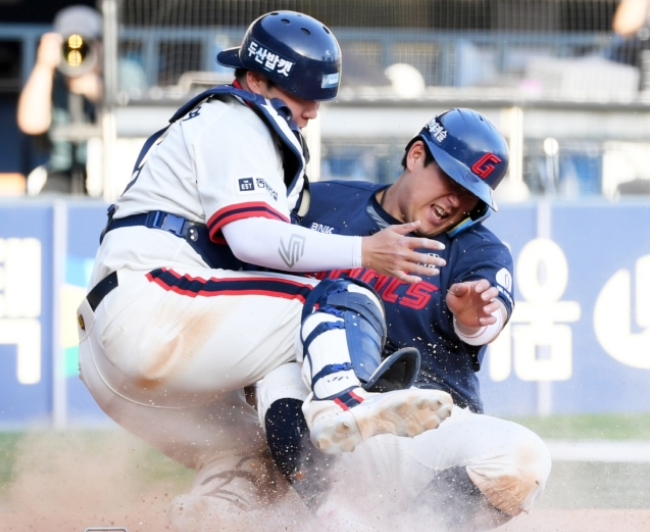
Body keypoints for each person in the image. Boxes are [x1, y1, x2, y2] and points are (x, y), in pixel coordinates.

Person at [76, 11, 454, 532]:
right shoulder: (237, 117)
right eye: (303, 96)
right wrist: (363, 251)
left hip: (126, 370)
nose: (312, 112)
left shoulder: (231, 127)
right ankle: (344, 398)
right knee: (338, 298)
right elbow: (250, 238)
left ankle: (236, 513)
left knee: (256, 457)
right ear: (257, 79)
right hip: (149, 308)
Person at [258, 109, 552, 531]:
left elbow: (487, 321)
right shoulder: (322, 204)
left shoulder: (476, 248)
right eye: (453, 181)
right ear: (416, 155)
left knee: (524, 457)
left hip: (425, 432)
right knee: (275, 376)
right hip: (325, 424)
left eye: (472, 195)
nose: (458, 200)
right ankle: (332, 519)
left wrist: (474, 319)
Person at [17, 5, 103, 194]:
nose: (77, 51)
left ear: (101, 45)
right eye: (69, 43)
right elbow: (31, 124)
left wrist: (100, 94)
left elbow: (136, 125)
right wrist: (43, 66)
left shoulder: (123, 73)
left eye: (85, 43)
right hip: (63, 171)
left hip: (113, 170)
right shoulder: (52, 79)